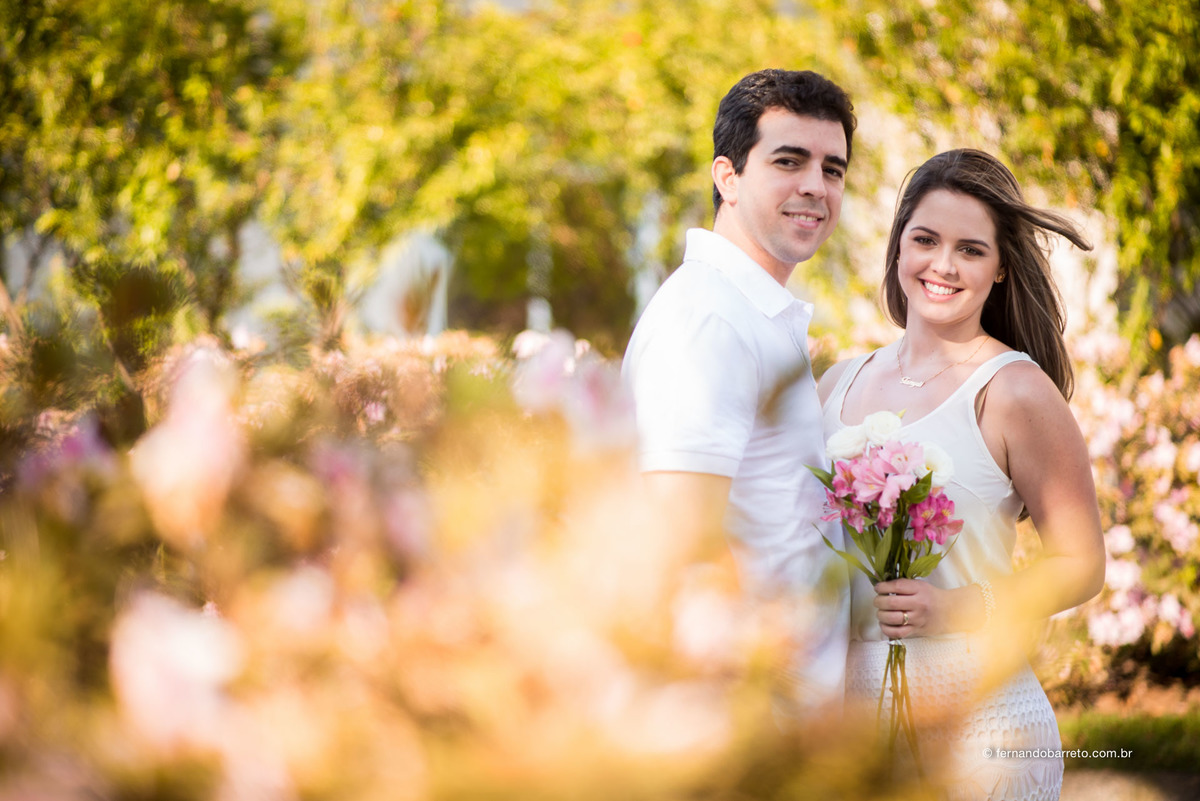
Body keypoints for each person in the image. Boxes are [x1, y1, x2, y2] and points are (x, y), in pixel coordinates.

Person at [818, 148, 1105, 797]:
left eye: (970, 249)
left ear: (1001, 268)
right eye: (925, 239)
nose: (942, 264)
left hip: (983, 731)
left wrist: (956, 606)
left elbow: (1081, 563)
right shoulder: (837, 383)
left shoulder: (1015, 393)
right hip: (852, 728)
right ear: (898, 247)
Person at [622, 69, 856, 713]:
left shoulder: (754, 313)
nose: (816, 185)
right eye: (790, 160)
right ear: (727, 177)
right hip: (755, 713)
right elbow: (682, 534)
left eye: (833, 169)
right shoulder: (709, 319)